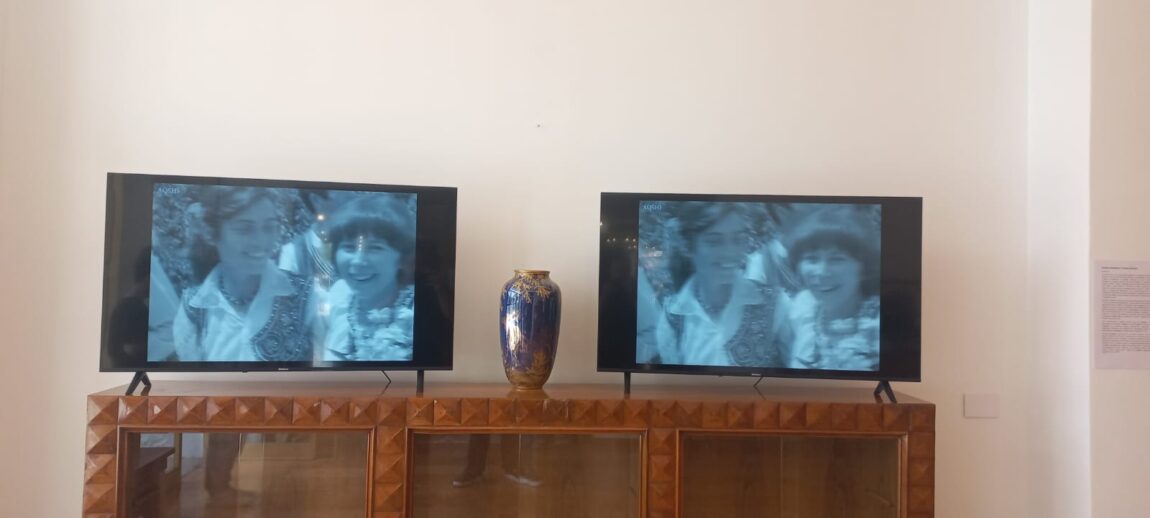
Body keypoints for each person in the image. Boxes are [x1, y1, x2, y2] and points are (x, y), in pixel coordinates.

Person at [172, 186, 318, 362]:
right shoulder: (194, 308)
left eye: (269, 227)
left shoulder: (307, 296)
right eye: (244, 229)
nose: (261, 241)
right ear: (211, 234)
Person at [648, 201, 790, 367]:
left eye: (739, 239)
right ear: (688, 246)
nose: (730, 252)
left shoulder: (776, 304)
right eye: (714, 242)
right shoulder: (673, 318)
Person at [322, 194, 417, 361]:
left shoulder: (419, 312)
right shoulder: (338, 298)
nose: (358, 261)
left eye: (375, 248)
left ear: (402, 258)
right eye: (349, 247)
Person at [784, 206, 881, 371]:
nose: (822, 272)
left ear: (863, 266)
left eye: (836, 259)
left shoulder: (881, 323)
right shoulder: (802, 310)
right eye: (812, 259)